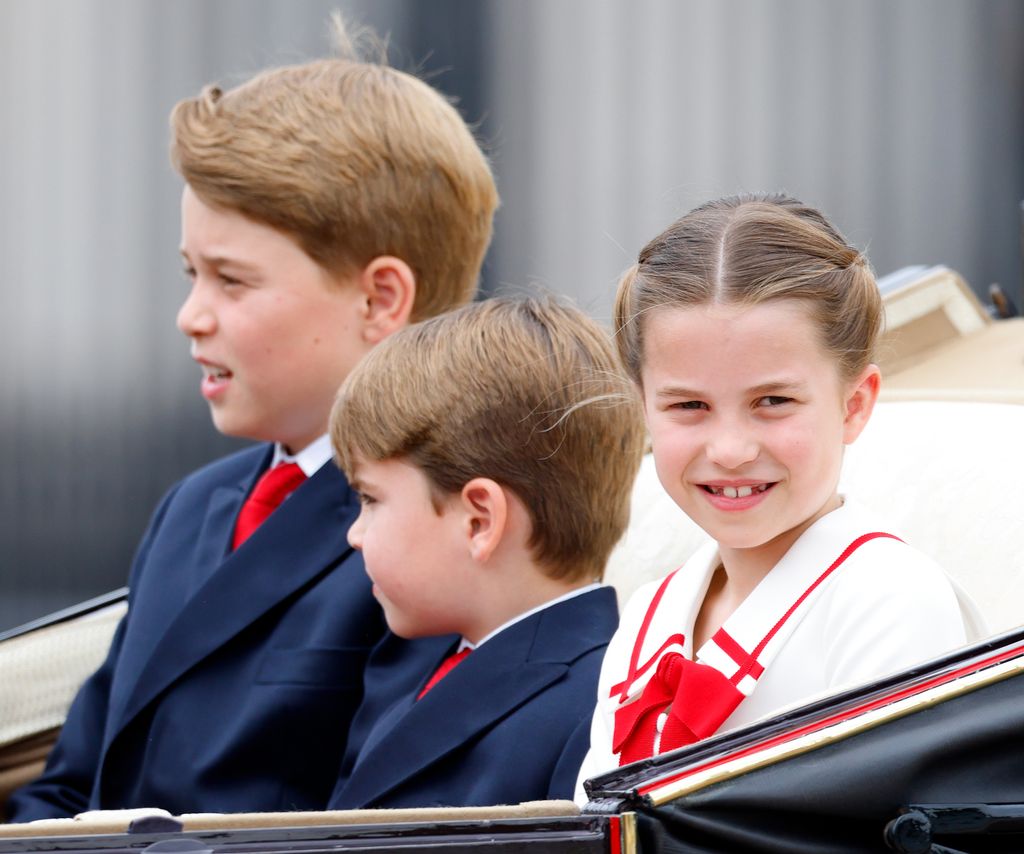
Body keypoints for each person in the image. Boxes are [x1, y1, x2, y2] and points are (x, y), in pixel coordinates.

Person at [7, 24, 498, 821]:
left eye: (232, 281)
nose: (190, 316)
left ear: (380, 299)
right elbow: (75, 783)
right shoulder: (195, 507)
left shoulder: (449, 533)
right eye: (191, 273)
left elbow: (366, 823)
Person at [576, 194, 978, 794]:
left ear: (854, 404)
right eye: (689, 406)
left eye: (773, 402)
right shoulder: (647, 616)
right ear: (643, 408)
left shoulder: (891, 603)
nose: (730, 448)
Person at [324, 295, 646, 809]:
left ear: (479, 520)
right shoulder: (411, 664)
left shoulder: (599, 712)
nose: (354, 534)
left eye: (370, 499)